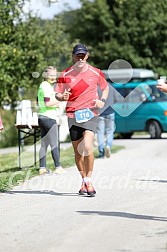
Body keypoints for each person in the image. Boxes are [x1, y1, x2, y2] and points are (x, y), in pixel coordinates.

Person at [55, 44, 109, 196]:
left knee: (87, 146)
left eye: (82, 55)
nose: (80, 58)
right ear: (73, 56)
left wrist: (102, 100)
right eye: (77, 55)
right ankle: (84, 180)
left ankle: (89, 181)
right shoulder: (66, 74)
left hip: (91, 113)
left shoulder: (95, 72)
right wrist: (62, 97)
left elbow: (105, 88)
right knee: (78, 153)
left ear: (87, 56)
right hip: (73, 115)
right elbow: (57, 94)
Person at [37, 66, 65, 175]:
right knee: (54, 143)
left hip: (41, 117)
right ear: (45, 76)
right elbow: (48, 103)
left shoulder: (43, 86)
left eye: (54, 75)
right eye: (51, 75)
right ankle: (58, 167)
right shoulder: (46, 86)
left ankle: (42, 168)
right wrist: (58, 103)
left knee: (44, 144)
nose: (54, 77)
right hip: (49, 118)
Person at [96, 85, 117, 158]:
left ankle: (101, 152)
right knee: (110, 131)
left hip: (100, 112)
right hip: (110, 112)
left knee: (100, 132)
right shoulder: (111, 87)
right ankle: (108, 145)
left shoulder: (96, 87)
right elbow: (117, 99)